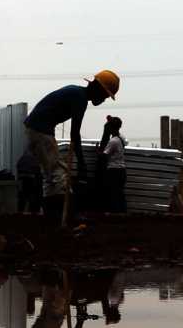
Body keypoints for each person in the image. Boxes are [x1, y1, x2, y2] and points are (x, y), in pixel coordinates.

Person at [24, 70, 120, 221]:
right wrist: (81, 163)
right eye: (105, 96)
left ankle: (51, 216)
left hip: (37, 129)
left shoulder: (77, 93)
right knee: (58, 173)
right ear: (98, 89)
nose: (104, 100)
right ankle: (66, 215)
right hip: (40, 130)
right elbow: (75, 134)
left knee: (51, 174)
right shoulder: (79, 98)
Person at [101, 115, 127, 213]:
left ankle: (114, 214)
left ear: (111, 128)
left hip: (113, 170)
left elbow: (104, 155)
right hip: (122, 170)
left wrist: (98, 151)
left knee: (113, 193)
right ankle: (123, 213)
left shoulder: (113, 141)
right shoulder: (121, 138)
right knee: (120, 193)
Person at [16, 148, 43, 214]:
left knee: (22, 201)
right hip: (32, 182)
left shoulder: (23, 159)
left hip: (24, 181)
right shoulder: (35, 159)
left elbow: (18, 167)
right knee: (33, 202)